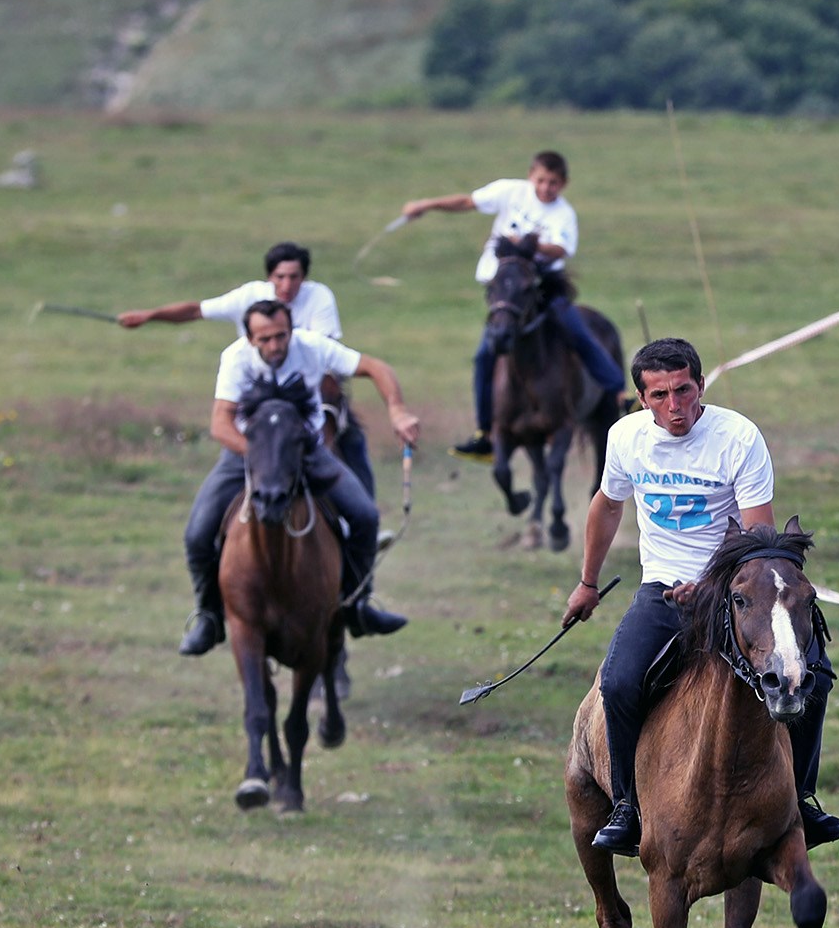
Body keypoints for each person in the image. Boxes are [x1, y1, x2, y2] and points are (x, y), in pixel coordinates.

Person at [560, 337, 839, 858]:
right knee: (620, 681)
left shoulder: (738, 437)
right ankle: (627, 806)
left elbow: (758, 541)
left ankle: (802, 799)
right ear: (641, 398)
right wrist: (586, 582)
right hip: (662, 589)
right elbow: (606, 506)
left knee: (815, 676)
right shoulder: (626, 439)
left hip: (734, 590)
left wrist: (713, 586)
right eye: (660, 395)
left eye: (684, 390)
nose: (675, 406)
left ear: (700, 386)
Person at [178, 300, 420, 656]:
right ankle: (210, 618)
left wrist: (397, 410)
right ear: (250, 339)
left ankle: (357, 605)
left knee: (365, 516)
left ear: (291, 331)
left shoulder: (311, 347)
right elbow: (220, 424)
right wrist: (265, 458)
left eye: (281, 336)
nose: (276, 346)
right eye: (265, 339)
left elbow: (375, 367)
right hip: (247, 453)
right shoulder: (235, 359)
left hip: (306, 452)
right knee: (197, 533)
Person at [398, 151, 629, 460]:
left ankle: (619, 393)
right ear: (531, 175)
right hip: (508, 291)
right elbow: (467, 202)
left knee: (578, 331)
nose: (547, 188)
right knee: (484, 356)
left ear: (564, 184)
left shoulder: (563, 214)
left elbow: (560, 249)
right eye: (542, 180)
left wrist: (529, 245)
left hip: (543, 287)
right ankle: (484, 432)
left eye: (554, 183)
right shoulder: (510, 191)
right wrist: (425, 205)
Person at [118, 242, 373, 497]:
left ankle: (366, 504)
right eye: (280, 277)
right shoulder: (244, 314)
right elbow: (197, 310)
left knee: (349, 436)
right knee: (199, 530)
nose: (286, 285)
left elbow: (324, 356)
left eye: (294, 277)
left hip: (307, 393)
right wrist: (149, 315)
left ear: (304, 277)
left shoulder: (318, 300)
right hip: (255, 402)